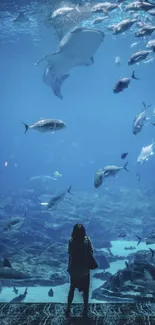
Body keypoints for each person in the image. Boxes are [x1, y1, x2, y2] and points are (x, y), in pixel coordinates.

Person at [65, 223, 93, 317]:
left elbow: (70, 254)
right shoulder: (87, 240)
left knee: (72, 288)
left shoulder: (71, 240)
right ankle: (85, 309)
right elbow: (91, 252)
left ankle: (68, 308)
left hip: (74, 268)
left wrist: (69, 267)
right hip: (84, 268)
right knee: (86, 290)